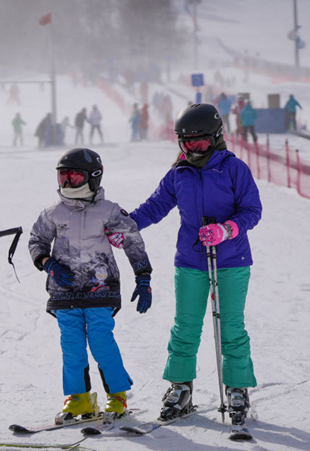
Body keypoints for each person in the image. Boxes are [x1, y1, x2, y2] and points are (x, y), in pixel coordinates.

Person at [128, 103, 262, 432]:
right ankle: (181, 387)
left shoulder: (234, 169)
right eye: (184, 143)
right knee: (185, 327)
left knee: (231, 328)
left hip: (231, 260)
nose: (190, 149)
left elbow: (252, 210)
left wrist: (226, 229)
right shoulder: (179, 173)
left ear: (215, 138)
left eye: (198, 142)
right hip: (190, 261)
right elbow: (155, 206)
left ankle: (237, 389)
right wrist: (124, 226)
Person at [28, 148, 153, 423]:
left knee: (101, 341)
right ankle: (79, 398)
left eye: (74, 176)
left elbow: (132, 240)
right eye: (63, 176)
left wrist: (143, 277)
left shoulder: (108, 211)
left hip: (101, 287)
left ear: (93, 178)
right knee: (71, 346)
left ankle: (117, 394)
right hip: (64, 291)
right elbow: (36, 241)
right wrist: (48, 263)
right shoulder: (52, 213)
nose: (68, 182)